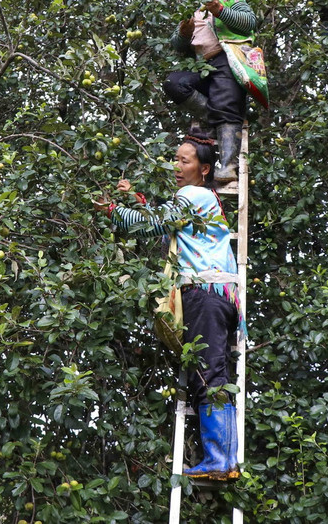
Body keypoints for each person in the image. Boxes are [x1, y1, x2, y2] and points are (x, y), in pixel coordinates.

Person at [94, 131, 241, 481]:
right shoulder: (200, 199)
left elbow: (154, 223)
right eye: (175, 159)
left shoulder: (193, 194)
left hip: (204, 293)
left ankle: (220, 461)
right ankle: (223, 459)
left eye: (184, 161)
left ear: (204, 169)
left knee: (208, 375)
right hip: (216, 295)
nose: (176, 166)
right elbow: (167, 223)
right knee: (211, 372)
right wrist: (137, 200)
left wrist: (113, 211)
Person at [163, 0, 257, 185]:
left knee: (226, 105)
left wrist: (220, 10)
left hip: (227, 60)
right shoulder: (191, 8)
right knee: (173, 83)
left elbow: (249, 22)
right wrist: (184, 33)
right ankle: (218, 118)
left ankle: (228, 166)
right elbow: (177, 44)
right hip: (203, 68)